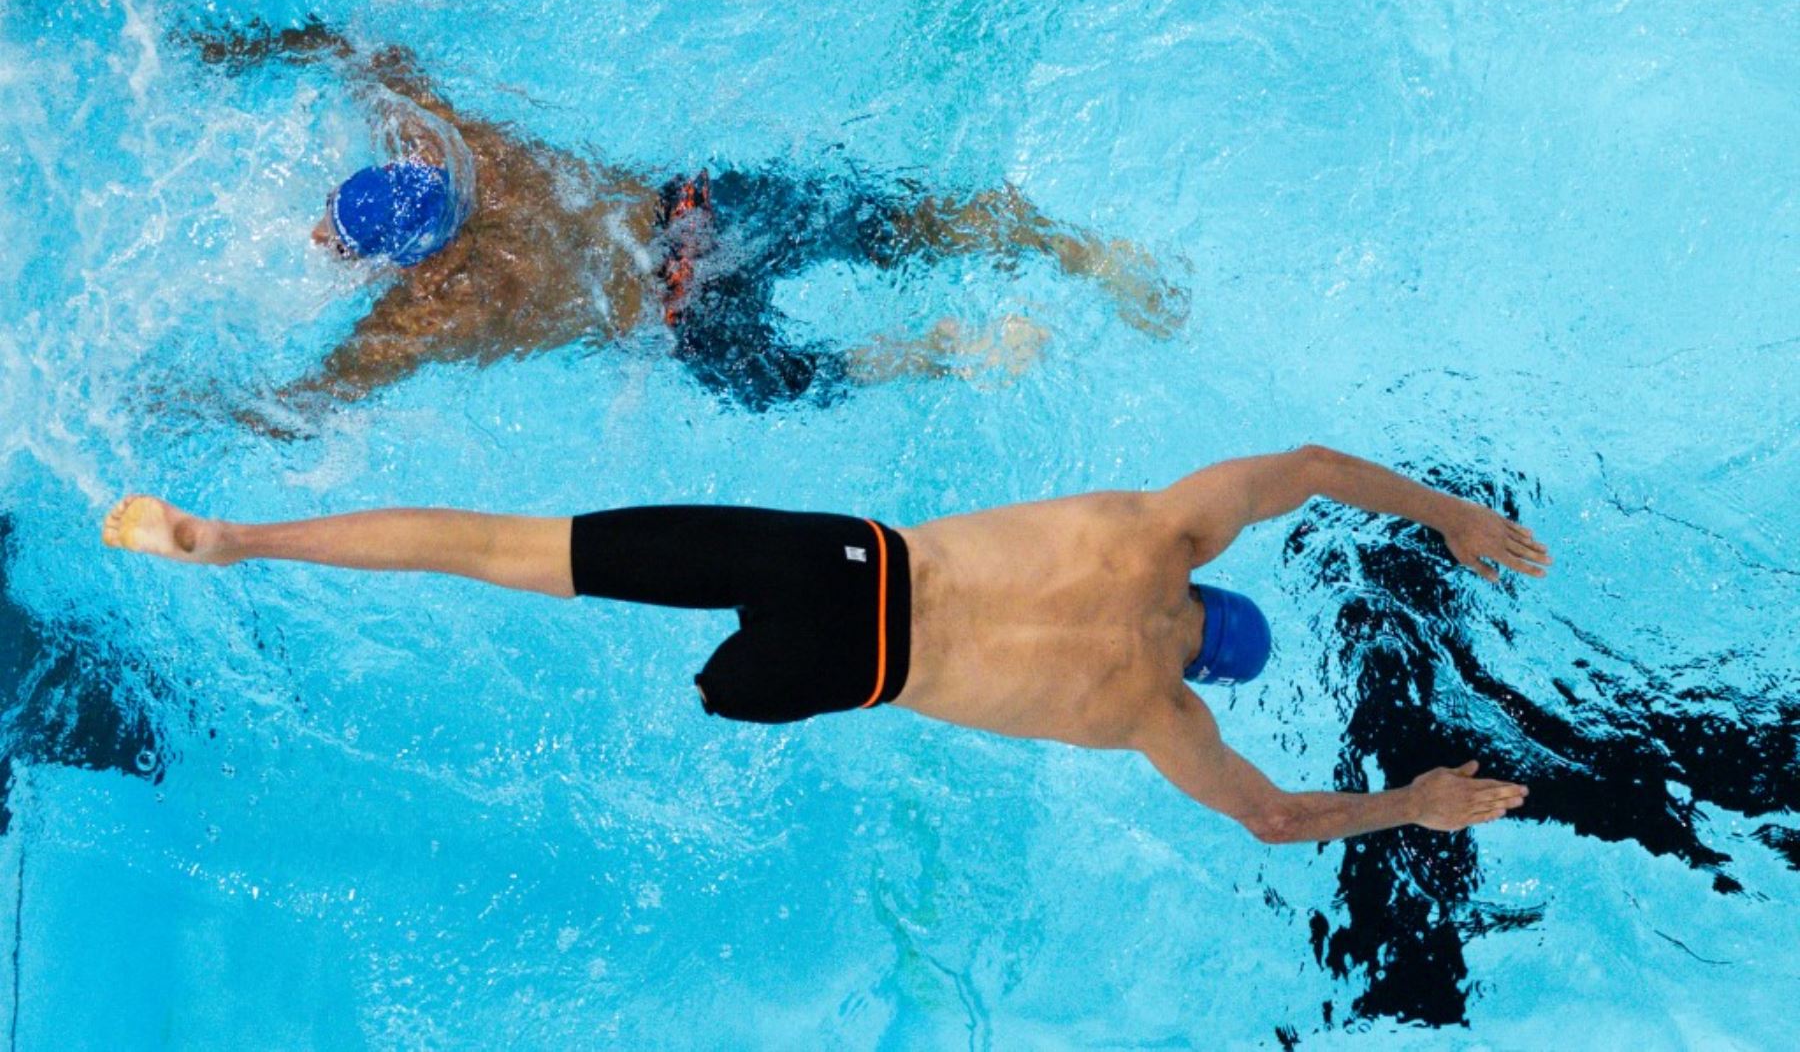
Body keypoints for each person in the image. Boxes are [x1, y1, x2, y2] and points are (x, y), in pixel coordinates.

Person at [102, 444, 1548, 843]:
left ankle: (230, 535)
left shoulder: (1154, 529)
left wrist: (1451, 515)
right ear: (1208, 668)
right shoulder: (1154, 717)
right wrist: (1413, 801)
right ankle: (237, 552)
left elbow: (1299, 462)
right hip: (832, 674)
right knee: (714, 682)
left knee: (506, 541)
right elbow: (1279, 815)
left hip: (840, 553)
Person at [195, 21, 1185, 417]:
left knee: (818, 377)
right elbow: (358, 48)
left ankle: (944, 350)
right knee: (885, 224)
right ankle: (1066, 247)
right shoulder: (468, 149)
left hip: (684, 322)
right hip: (697, 215)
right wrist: (243, 49)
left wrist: (183, 401)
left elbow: (308, 401)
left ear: (397, 261)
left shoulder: (428, 311)